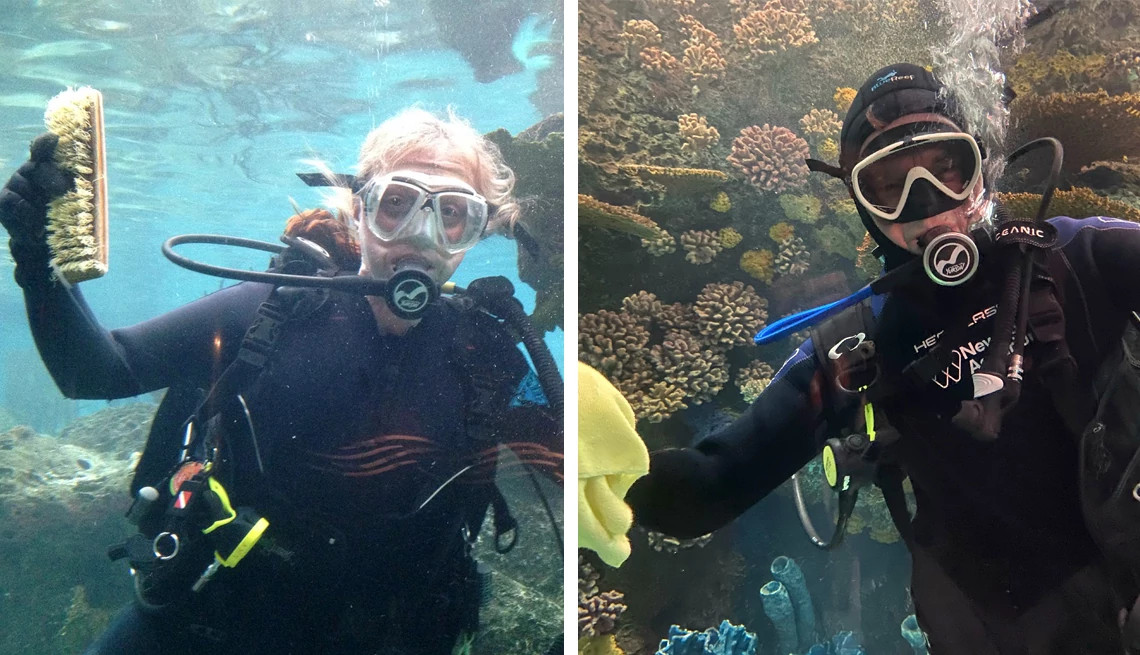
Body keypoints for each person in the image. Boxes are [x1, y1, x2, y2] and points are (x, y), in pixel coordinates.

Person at [0, 107, 562, 655]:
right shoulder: (269, 313)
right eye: (398, 204)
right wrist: (36, 256)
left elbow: (571, 459)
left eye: (452, 215)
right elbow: (98, 370)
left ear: (478, 230)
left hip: (401, 635)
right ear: (360, 208)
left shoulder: (491, 352)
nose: (421, 237)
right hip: (219, 618)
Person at [625, 63, 1140, 654]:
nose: (928, 203)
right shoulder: (856, 349)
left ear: (981, 171)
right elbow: (712, 487)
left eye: (947, 167)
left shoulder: (1082, 255)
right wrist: (600, 466)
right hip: (1017, 628)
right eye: (891, 186)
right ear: (866, 207)